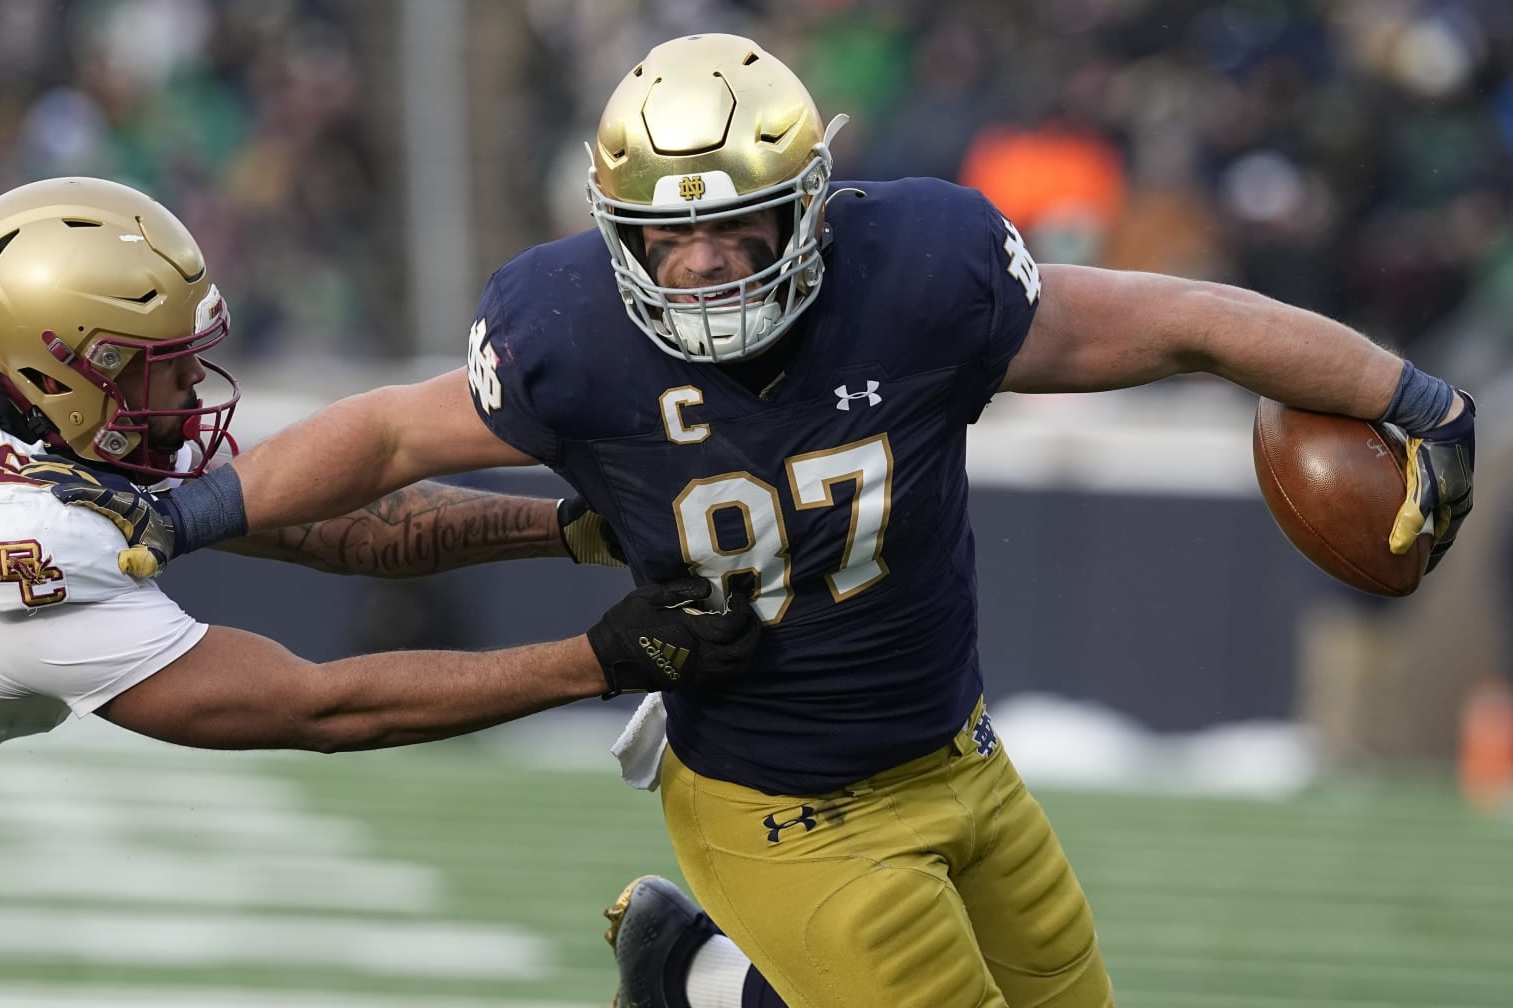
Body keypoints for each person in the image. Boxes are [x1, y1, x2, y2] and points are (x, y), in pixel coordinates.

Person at [57, 34, 1476, 1008]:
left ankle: (702, 978)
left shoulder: (916, 271)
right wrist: (189, 515)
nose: (702, 263)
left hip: (960, 754)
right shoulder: (567, 333)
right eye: (667, 236)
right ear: (611, 229)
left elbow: (1174, 322)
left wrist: (1406, 392)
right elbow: (377, 435)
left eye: (737, 225)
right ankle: (718, 971)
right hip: (780, 801)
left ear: (816, 199)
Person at [0, 175, 760, 752]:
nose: (192, 382)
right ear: (58, 368)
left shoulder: (74, 447)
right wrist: (598, 659)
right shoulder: (35, 532)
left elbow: (346, 527)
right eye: (155, 363)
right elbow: (315, 706)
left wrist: (579, 529)